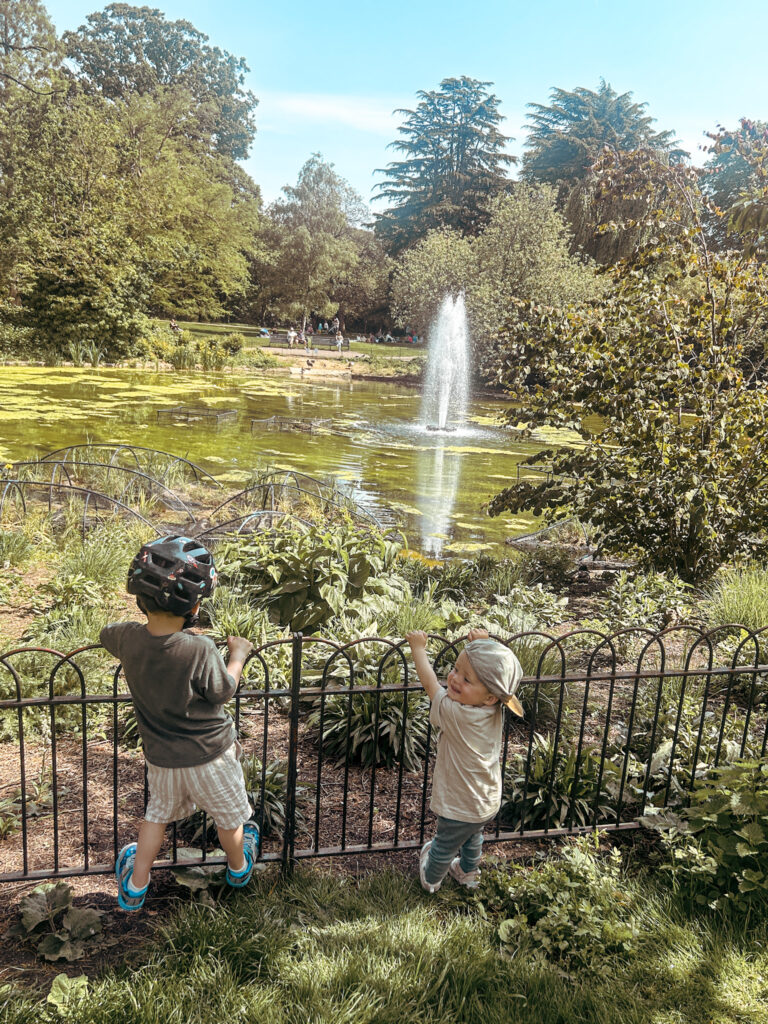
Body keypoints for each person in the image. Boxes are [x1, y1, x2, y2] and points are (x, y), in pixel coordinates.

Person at [100, 535, 258, 912]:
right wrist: (237, 655)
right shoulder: (198, 648)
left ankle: (136, 886)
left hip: (163, 758)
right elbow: (222, 691)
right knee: (230, 819)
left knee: (156, 818)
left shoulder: (126, 639)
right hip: (211, 758)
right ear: (194, 605)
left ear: (140, 598)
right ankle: (238, 868)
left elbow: (106, 634)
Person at [405, 627, 524, 892]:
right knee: (473, 835)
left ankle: (431, 878)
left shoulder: (458, 714)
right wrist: (483, 645)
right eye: (456, 669)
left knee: (444, 842)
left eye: (467, 679)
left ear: (491, 696)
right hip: (486, 799)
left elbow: (430, 684)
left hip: (459, 802)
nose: (455, 679)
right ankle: (468, 872)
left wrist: (418, 649)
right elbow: (492, 679)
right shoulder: (492, 709)